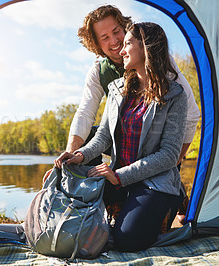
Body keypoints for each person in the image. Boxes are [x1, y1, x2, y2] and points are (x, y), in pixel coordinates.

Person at [55, 22, 188, 251]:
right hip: (117, 177)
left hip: (151, 181)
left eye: (127, 43)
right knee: (71, 219)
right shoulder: (118, 89)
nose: (122, 50)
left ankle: (172, 200)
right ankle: (124, 204)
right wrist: (79, 155)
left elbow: (169, 155)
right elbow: (104, 136)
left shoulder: (175, 95)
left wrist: (118, 176)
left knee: (127, 239)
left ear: (146, 48)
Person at [66, 5, 200, 167]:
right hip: (126, 141)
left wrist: (173, 162)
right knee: (87, 138)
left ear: (125, 29)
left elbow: (191, 114)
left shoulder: (159, 61)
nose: (114, 41)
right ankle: (88, 187)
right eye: (105, 37)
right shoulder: (98, 72)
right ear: (97, 44)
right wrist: (69, 157)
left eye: (116, 32)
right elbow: (85, 114)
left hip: (157, 146)